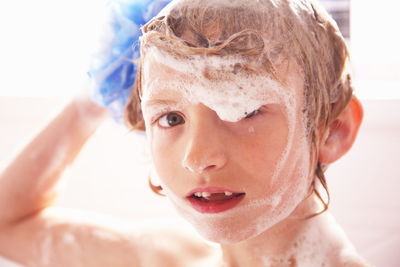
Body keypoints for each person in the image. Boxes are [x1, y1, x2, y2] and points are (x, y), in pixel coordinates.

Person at [0, 0, 371, 266]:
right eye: (171, 118)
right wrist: (89, 102)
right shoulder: (168, 257)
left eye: (243, 110)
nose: (198, 156)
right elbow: (7, 226)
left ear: (332, 131)